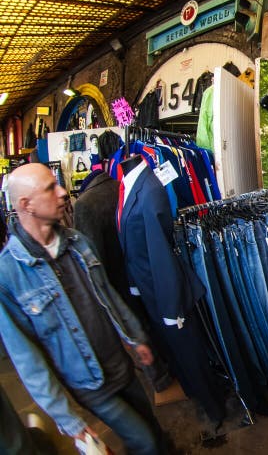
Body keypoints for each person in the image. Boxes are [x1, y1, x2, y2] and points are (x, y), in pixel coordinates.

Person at [0, 163, 167, 454]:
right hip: (91, 386)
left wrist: (134, 336)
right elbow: (27, 359)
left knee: (152, 427)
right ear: (26, 204)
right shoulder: (8, 275)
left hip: (121, 366)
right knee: (145, 440)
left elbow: (109, 297)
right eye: (51, 188)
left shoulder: (77, 242)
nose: (63, 192)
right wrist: (67, 418)